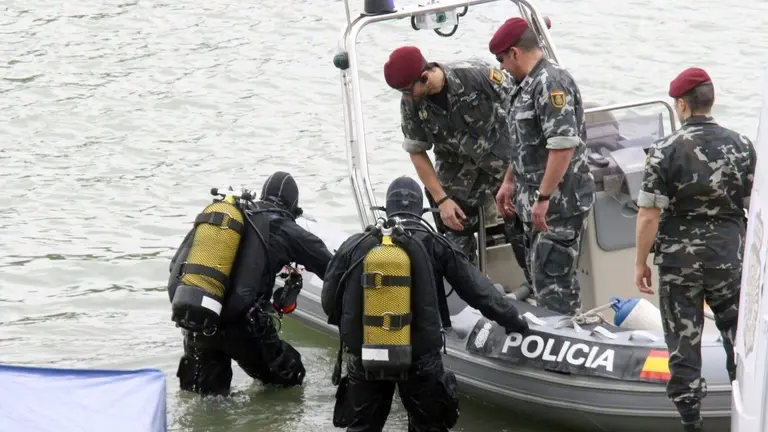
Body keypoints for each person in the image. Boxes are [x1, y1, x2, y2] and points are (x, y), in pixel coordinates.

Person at [322, 175, 530, 432]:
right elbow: (480, 292)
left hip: (367, 355)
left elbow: (329, 300)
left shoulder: (356, 245)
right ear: (421, 210)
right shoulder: (435, 243)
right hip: (420, 361)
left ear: (386, 208)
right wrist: (515, 321)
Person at [633, 67, 756, 432]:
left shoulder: (664, 150)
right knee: (738, 338)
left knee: (683, 344)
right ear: (710, 101)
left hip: (679, 261)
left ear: (682, 106)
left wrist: (640, 262)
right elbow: (755, 205)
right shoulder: (743, 145)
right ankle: (746, 410)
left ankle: (691, 423)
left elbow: (648, 215)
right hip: (729, 258)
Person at [168, 171, 334, 396]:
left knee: (205, 398)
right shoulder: (287, 229)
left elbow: (176, 266)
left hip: (199, 319)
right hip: (244, 327)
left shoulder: (228, 218)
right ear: (293, 207)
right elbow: (333, 270)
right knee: (290, 378)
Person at [383, 45, 531, 285]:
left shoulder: (477, 75)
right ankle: (469, 300)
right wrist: (442, 200)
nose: (407, 97)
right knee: (454, 250)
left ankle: (538, 294)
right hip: (458, 178)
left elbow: (523, 112)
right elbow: (417, 151)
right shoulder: (411, 102)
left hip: (504, 168)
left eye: (409, 90)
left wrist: (514, 175)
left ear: (425, 76)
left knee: (523, 234)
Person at [488, 17, 596, 316]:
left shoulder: (551, 83)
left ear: (515, 53)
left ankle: (569, 344)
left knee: (555, 286)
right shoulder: (525, 85)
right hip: (535, 202)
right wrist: (509, 181)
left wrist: (544, 198)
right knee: (542, 280)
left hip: (558, 205)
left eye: (502, 60)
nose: (502, 68)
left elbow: (562, 146)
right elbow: (527, 144)